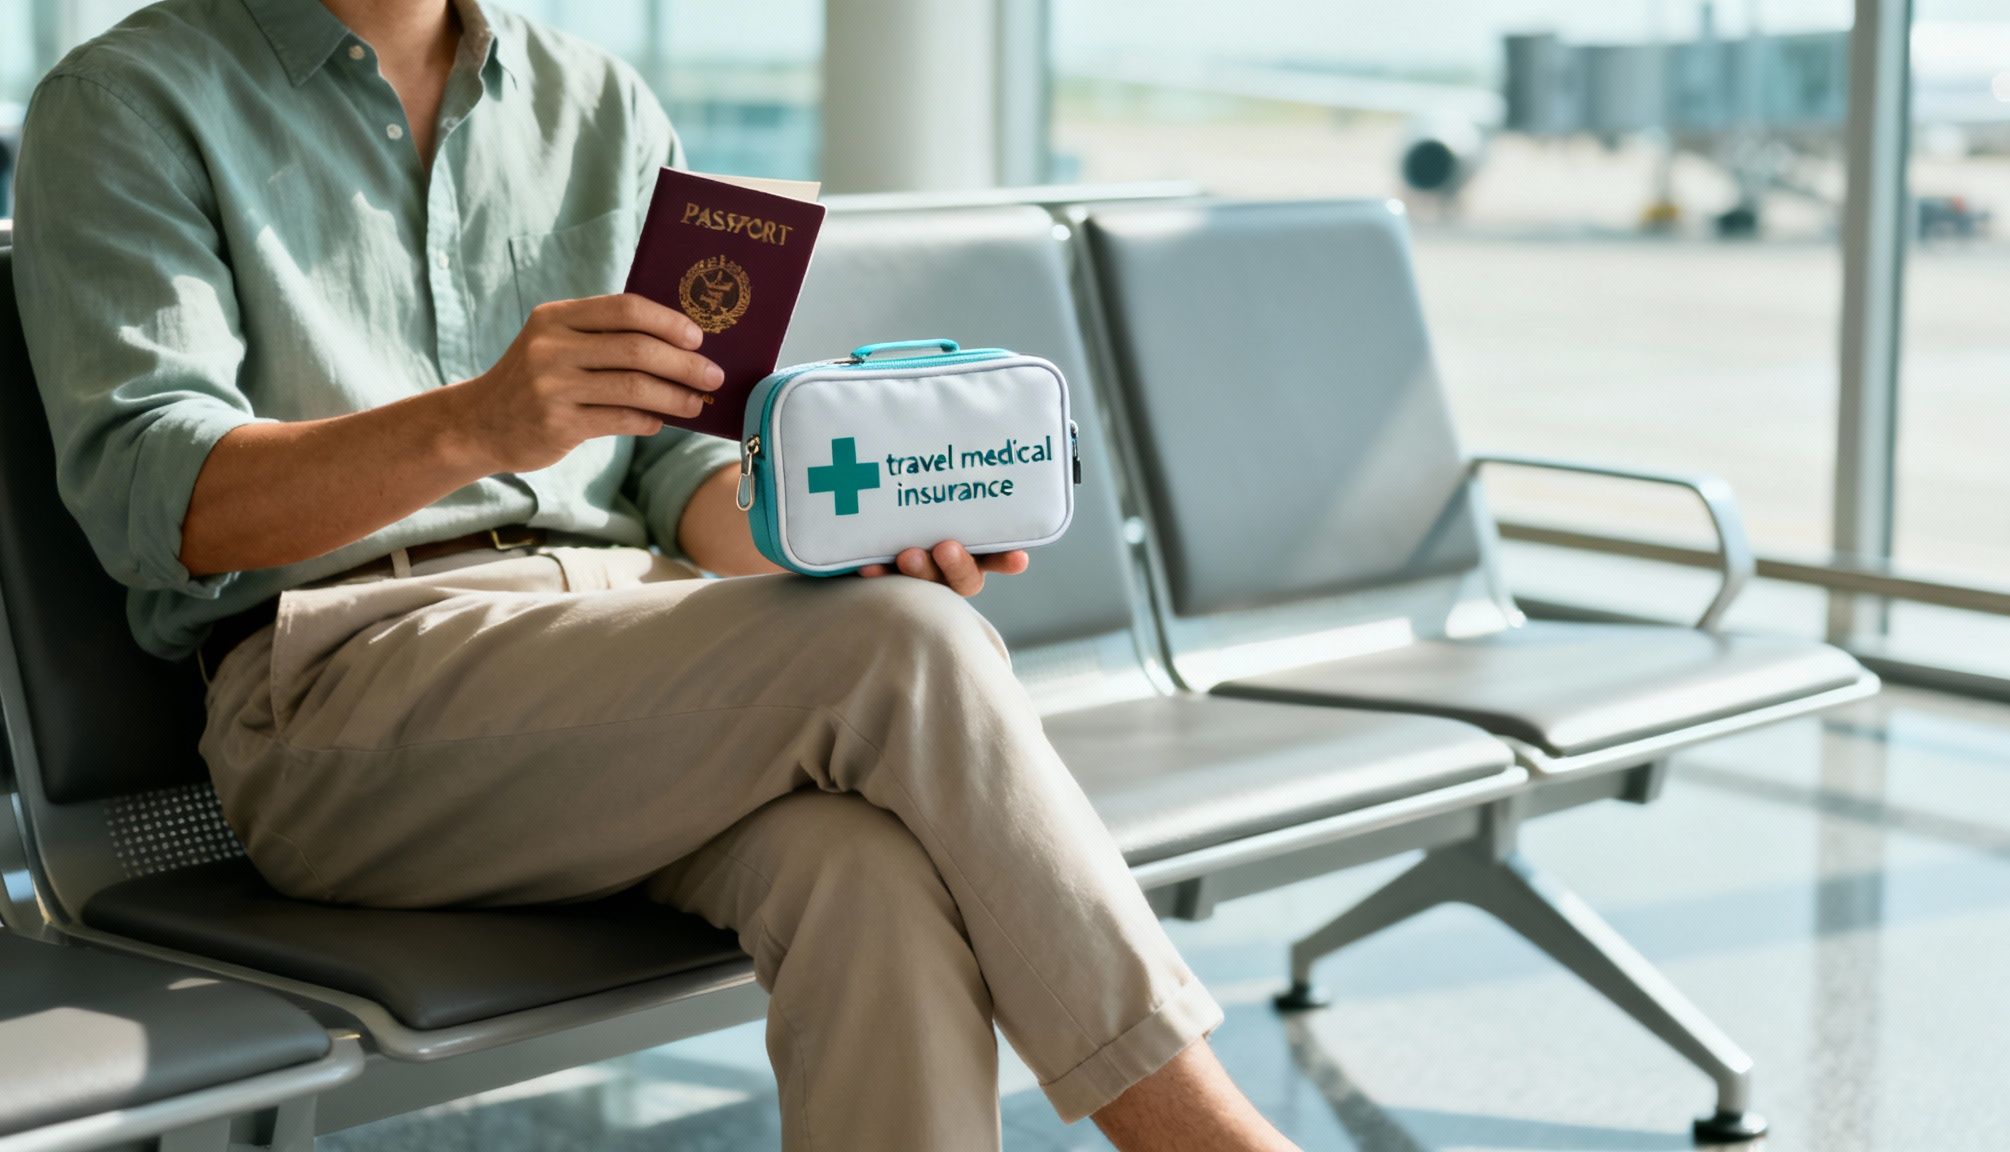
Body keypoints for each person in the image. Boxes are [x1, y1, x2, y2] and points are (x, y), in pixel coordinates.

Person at [10, 2, 1301, 1149]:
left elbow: (681, 480)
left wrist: (849, 533)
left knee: (863, 870)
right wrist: (475, 424)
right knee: (903, 646)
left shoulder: (601, 104)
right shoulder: (126, 102)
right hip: (337, 693)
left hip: (628, 646)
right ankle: (1201, 1136)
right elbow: (151, 500)